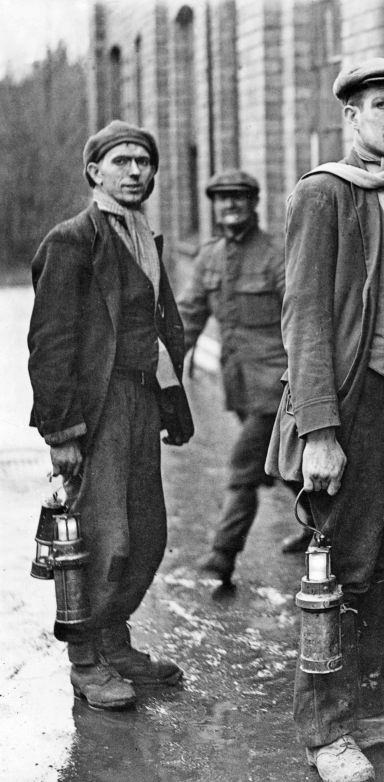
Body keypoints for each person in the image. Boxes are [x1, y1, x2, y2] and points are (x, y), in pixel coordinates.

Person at [264, 58, 384, 782]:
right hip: (355, 407)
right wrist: (319, 430)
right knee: (340, 570)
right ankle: (325, 729)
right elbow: (306, 317)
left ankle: (374, 706)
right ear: (351, 116)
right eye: (383, 105)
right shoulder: (327, 195)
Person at [27, 120, 193, 710]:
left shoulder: (144, 236)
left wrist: (170, 403)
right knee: (103, 537)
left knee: (147, 535)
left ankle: (116, 642)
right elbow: (49, 345)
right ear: (94, 172)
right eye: (121, 161)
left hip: (140, 400)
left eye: (143, 162)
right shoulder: (72, 240)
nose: (134, 172)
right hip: (94, 410)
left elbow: (160, 328)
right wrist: (62, 431)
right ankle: (86, 659)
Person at [177, 169, 308, 587]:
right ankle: (320, 529)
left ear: (254, 203)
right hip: (239, 385)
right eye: (222, 198)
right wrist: (162, 371)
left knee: (243, 469)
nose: (230, 204)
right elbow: (188, 317)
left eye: (239, 197)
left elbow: (299, 316)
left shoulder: (275, 253)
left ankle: (222, 555)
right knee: (283, 469)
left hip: (278, 385)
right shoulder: (209, 256)